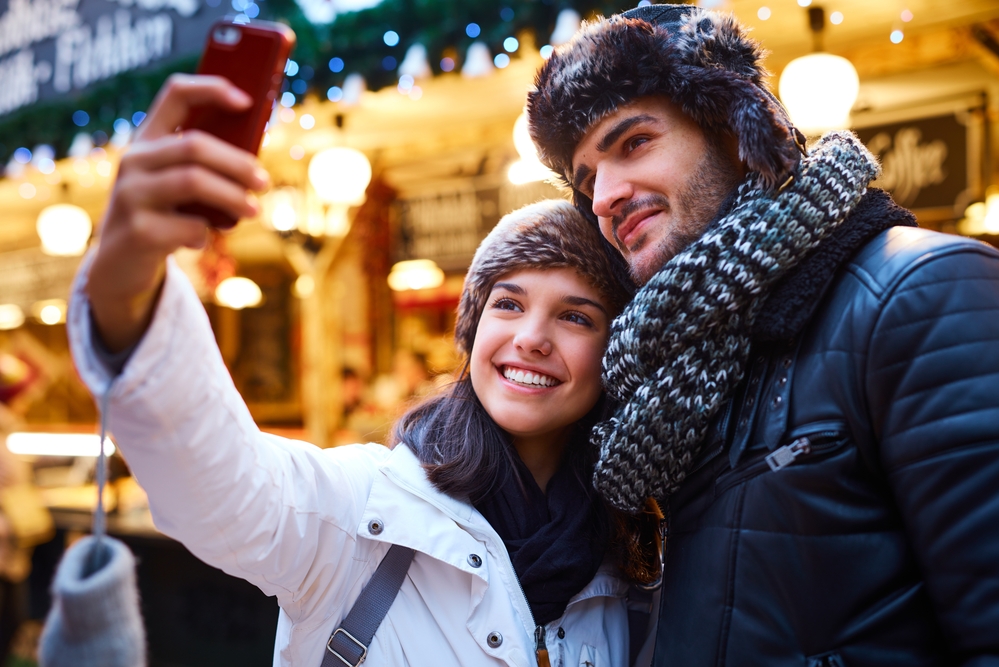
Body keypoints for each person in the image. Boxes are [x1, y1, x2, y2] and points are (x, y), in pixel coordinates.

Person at [67, 74, 653, 666]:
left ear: (616, 351)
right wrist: (127, 281)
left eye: (576, 317)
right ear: (474, 330)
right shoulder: (361, 514)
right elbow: (222, 485)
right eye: (507, 303)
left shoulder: (627, 554)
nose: (530, 338)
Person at [525, 3, 999, 664]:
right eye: (585, 178)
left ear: (731, 130)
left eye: (633, 142)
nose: (603, 194)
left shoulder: (918, 293)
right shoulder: (669, 378)